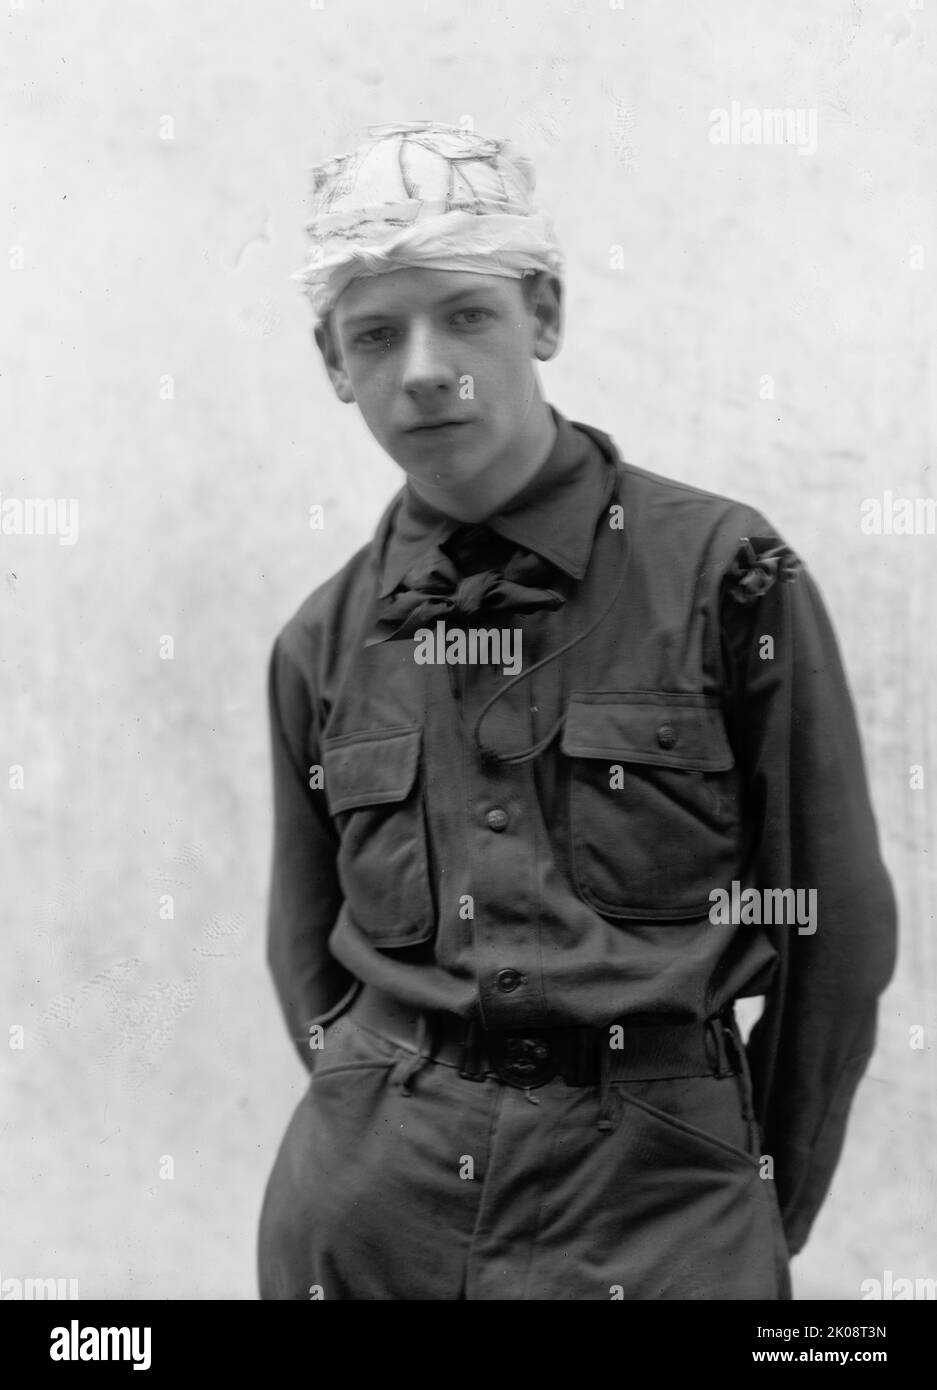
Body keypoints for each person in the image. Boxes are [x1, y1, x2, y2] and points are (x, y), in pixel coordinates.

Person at [256, 121, 897, 1301]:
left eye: (466, 314)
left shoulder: (724, 574)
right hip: (369, 1224)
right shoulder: (322, 639)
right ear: (332, 363)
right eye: (375, 334)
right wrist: (365, 1120)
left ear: (542, 315)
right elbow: (303, 950)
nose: (423, 368)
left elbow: (836, 931)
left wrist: (751, 1203)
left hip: (655, 1212)